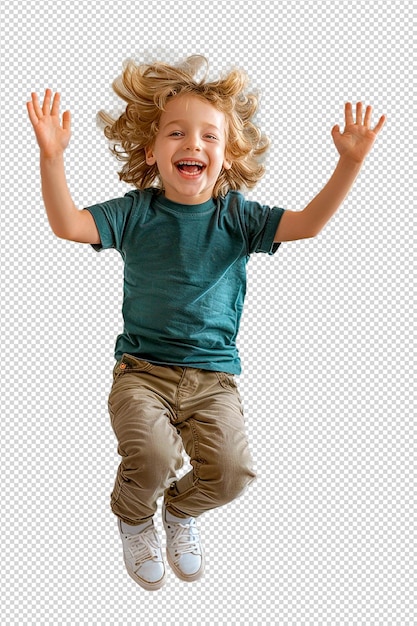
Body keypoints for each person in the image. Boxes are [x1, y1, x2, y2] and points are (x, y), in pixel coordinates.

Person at [27, 55, 385, 591]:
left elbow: (307, 224)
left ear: (227, 155)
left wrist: (350, 164)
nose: (193, 144)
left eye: (208, 136)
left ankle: (179, 511)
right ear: (152, 151)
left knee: (234, 475)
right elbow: (67, 224)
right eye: (177, 133)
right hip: (141, 373)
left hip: (213, 380)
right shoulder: (135, 212)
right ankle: (132, 515)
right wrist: (52, 157)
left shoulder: (237, 216)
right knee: (152, 455)